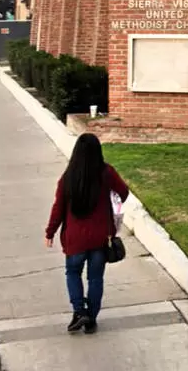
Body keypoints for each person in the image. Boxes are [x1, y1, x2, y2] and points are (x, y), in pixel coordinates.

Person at [45, 133, 129, 334]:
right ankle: (91, 318)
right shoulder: (106, 172)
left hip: (75, 240)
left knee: (73, 273)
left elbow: (58, 209)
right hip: (101, 238)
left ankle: (79, 311)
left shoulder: (67, 178)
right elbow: (123, 192)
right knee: (95, 278)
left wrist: (50, 232)